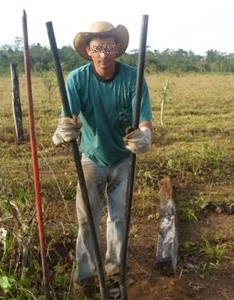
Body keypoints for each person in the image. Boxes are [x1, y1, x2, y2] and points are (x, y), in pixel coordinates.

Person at [52, 21, 153, 294]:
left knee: (119, 220)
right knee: (87, 220)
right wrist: (63, 130)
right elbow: (67, 118)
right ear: (89, 50)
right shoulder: (78, 79)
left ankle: (114, 274)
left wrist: (144, 137)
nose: (104, 54)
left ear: (117, 48)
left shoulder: (134, 78)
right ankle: (85, 277)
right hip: (91, 158)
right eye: (97, 48)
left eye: (109, 46)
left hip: (123, 160)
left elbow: (145, 122)